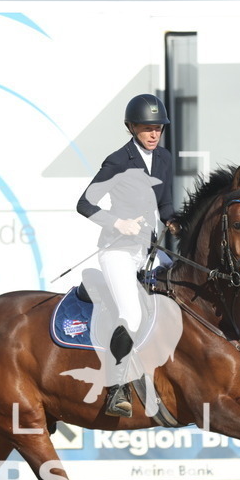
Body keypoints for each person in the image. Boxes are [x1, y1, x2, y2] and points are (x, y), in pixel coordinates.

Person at [76, 93, 178, 417]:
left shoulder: (164, 159)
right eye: (147, 128)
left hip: (147, 251)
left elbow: (165, 205)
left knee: (180, 292)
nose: (153, 134)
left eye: (158, 128)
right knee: (131, 315)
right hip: (117, 250)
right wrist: (116, 221)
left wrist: (175, 221)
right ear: (132, 127)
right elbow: (84, 204)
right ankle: (117, 387)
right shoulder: (118, 161)